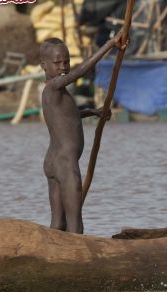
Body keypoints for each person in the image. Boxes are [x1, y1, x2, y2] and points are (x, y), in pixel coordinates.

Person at [39, 35, 122, 234]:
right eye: (57, 63)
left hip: (53, 161)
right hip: (65, 164)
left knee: (58, 226)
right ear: (43, 65)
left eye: (66, 62)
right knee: (75, 226)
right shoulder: (53, 87)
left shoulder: (55, 93)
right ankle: (76, 262)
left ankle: (53, 258)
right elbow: (80, 72)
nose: (62, 67)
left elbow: (69, 118)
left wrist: (94, 112)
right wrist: (109, 44)